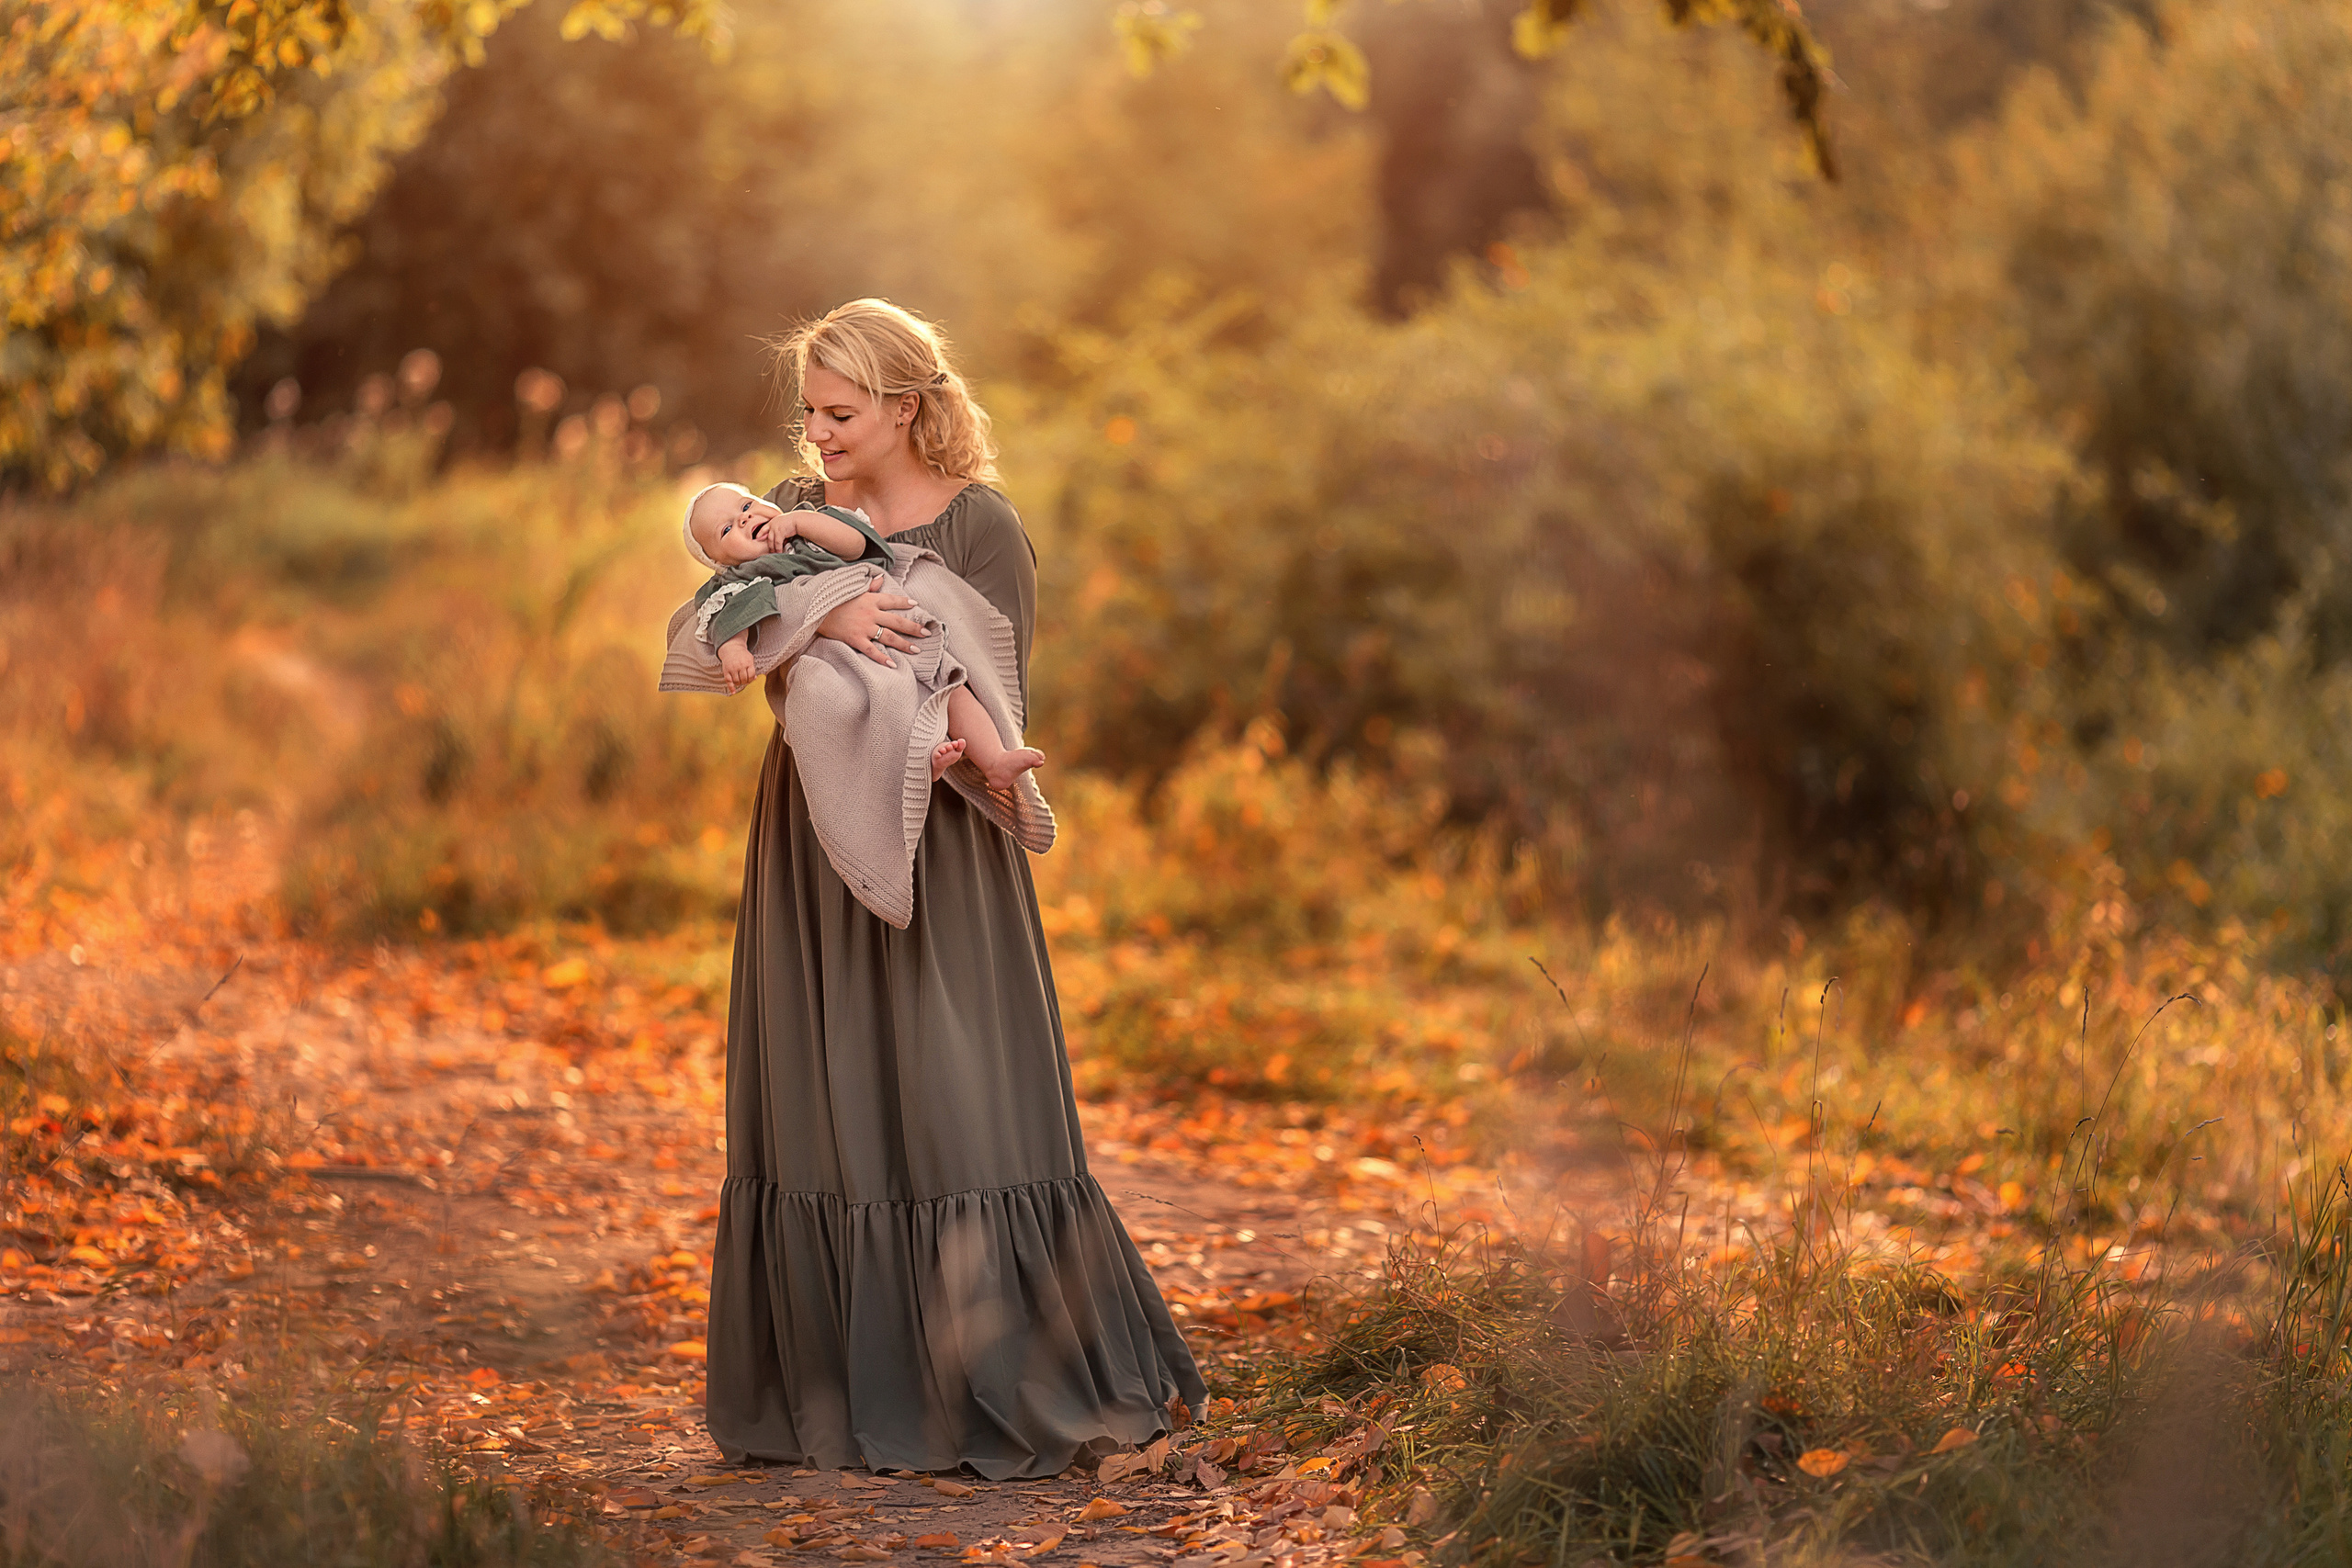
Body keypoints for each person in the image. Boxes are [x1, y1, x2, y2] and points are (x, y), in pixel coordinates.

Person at [703, 298, 1205, 1478]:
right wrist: (826, 606)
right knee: (831, 1096)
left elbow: (993, 682)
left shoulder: (984, 526)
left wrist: (907, 675)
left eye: (841, 413)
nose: (818, 434)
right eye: (810, 413)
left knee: (955, 1090)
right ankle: (836, 1382)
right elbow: (747, 650)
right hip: (816, 829)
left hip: (948, 826)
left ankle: (997, 1366)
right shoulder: (797, 517)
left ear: (907, 406)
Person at [680, 480, 1046, 789]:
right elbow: (726, 615)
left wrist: (800, 522)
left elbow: (855, 545)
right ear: (721, 563)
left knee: (949, 687)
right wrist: (734, 650)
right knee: (854, 711)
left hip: (891, 640)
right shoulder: (746, 577)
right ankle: (914, 769)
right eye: (726, 530)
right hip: (837, 666)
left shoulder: (810, 523)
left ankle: (994, 758)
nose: (744, 519)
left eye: (746, 505)